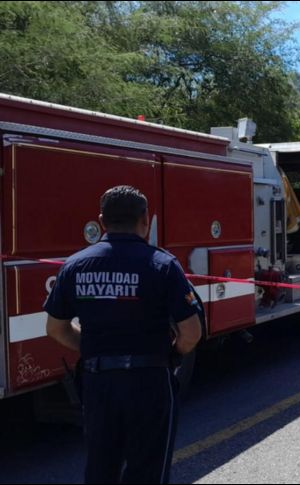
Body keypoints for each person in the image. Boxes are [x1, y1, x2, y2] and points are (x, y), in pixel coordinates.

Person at [44, 186, 202, 484]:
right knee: (147, 469)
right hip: (150, 382)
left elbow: (55, 328)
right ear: (145, 220)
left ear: (102, 221)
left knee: (101, 467)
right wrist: (174, 354)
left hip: (98, 382)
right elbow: (191, 333)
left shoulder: (75, 265)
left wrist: (95, 349)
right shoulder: (162, 265)